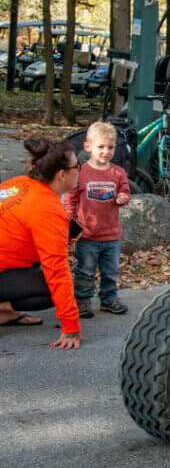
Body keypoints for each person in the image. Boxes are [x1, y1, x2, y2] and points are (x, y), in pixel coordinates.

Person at [0, 138, 82, 348]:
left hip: (7, 262)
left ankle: (5, 312)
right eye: (77, 166)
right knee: (47, 290)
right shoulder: (47, 207)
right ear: (61, 174)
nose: (79, 170)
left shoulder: (17, 183)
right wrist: (71, 327)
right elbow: (57, 270)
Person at [63, 122, 130, 318]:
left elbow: (125, 191)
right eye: (100, 147)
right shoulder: (81, 172)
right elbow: (71, 198)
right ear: (88, 147)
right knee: (85, 270)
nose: (106, 152)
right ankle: (82, 300)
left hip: (111, 235)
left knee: (111, 271)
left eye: (110, 147)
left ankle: (109, 299)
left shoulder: (118, 172)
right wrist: (71, 221)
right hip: (88, 234)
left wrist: (123, 198)